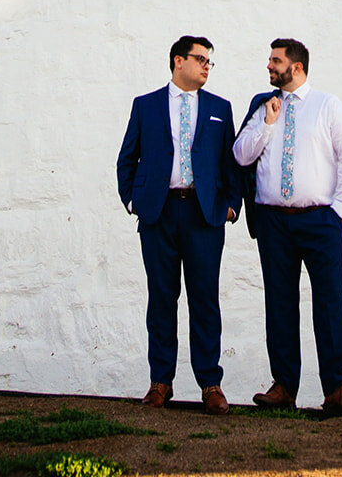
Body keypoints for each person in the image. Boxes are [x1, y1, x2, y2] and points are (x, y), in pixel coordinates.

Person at [233, 38, 342, 416]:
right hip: (273, 221)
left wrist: (337, 212)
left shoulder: (328, 106)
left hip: (320, 220)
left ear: (297, 67)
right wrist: (268, 124)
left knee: (328, 302)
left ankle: (337, 389)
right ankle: (284, 386)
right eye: (270, 60)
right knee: (279, 303)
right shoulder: (263, 108)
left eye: (276, 60)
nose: (269, 66)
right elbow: (240, 155)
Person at [117, 35, 241, 414]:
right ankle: (160, 382)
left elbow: (230, 163)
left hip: (204, 216)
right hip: (159, 213)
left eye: (210, 62)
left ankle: (210, 384)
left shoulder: (220, 108)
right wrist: (133, 200)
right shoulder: (147, 105)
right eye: (200, 59)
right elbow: (127, 158)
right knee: (161, 298)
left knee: (205, 299)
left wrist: (231, 206)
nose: (206, 66)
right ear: (177, 61)